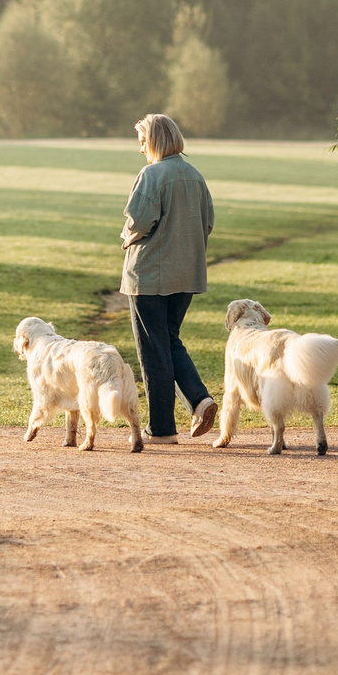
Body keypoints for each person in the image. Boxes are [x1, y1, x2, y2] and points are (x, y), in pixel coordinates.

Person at [120, 112, 217, 443]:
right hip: (186, 274)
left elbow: (138, 220)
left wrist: (126, 237)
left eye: (142, 142)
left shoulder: (152, 174)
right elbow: (207, 223)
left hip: (148, 275)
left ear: (154, 141)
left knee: (152, 349)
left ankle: (161, 429)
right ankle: (199, 399)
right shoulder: (195, 175)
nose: (141, 149)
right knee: (169, 341)